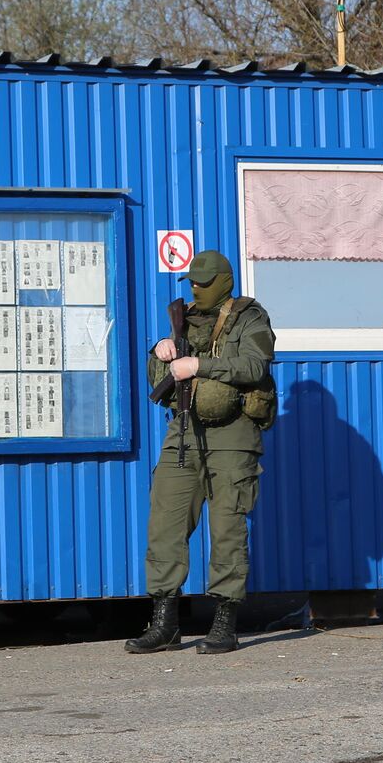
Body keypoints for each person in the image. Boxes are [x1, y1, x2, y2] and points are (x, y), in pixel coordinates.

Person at [126, 250, 278, 655]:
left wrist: (199, 366)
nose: (197, 289)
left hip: (233, 436)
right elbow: (168, 374)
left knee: (227, 528)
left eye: (204, 282)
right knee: (165, 524)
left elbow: (254, 366)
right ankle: (165, 623)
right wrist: (161, 350)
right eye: (192, 282)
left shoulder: (250, 318)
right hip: (184, 432)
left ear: (224, 281)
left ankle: (224, 622)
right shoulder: (186, 317)